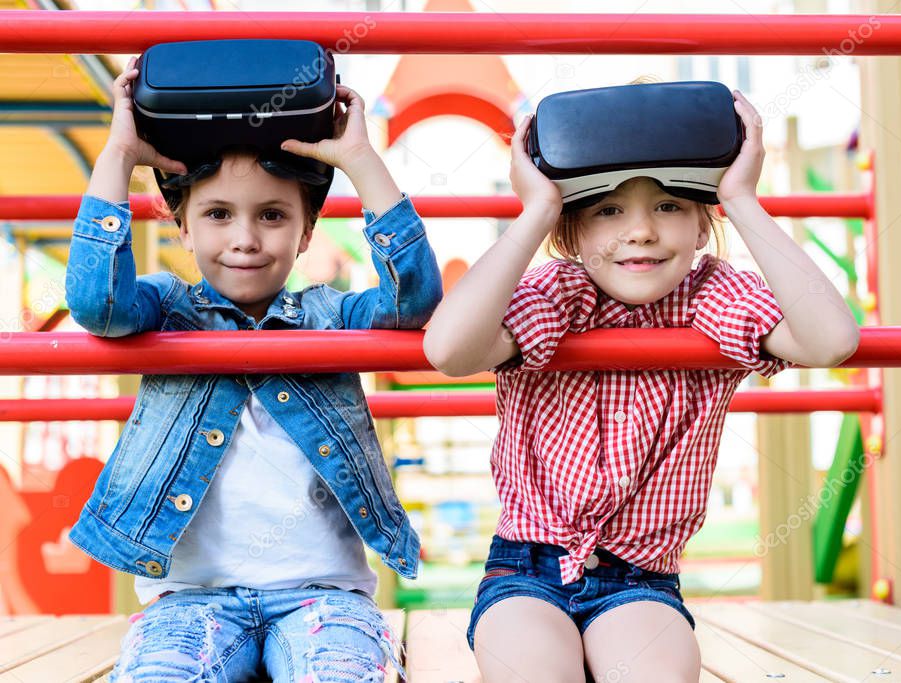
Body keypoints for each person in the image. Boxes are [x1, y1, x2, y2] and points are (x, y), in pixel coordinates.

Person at [423, 88, 860, 682]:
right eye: (608, 211)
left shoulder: (711, 294)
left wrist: (741, 198)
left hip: (641, 579)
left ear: (704, 224)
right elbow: (448, 351)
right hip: (528, 568)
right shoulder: (560, 292)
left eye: (670, 206)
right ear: (571, 232)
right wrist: (534, 215)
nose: (642, 232)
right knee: (534, 671)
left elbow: (830, 340)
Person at [66, 56, 442, 682]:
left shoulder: (329, 315)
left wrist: (360, 162)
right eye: (217, 215)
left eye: (272, 215)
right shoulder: (168, 309)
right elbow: (95, 304)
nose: (245, 237)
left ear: (305, 233)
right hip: (191, 598)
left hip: (323, 597)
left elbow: (413, 299)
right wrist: (118, 154)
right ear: (182, 228)